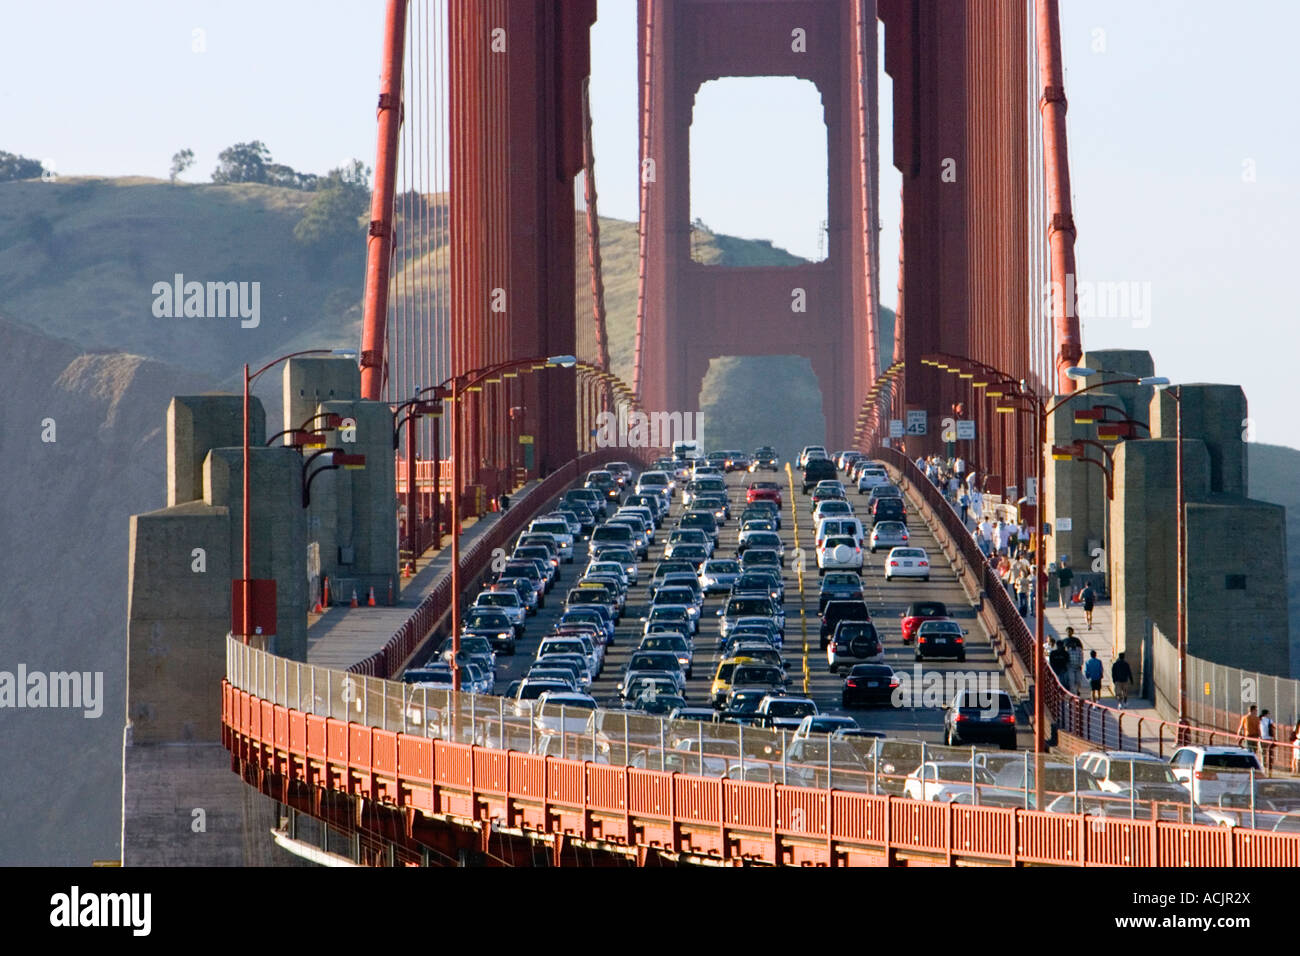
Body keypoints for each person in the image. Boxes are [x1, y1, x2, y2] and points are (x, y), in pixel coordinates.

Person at [1064, 627, 1084, 694]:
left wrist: (1080, 663)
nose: (1069, 633)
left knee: (1078, 680)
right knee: (1071, 680)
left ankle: (1078, 690)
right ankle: (1073, 692)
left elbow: (1081, 650)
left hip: (1077, 665)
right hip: (1070, 665)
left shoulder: (1076, 640)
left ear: (1072, 632)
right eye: (1067, 631)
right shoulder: (1064, 641)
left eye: (1070, 631)